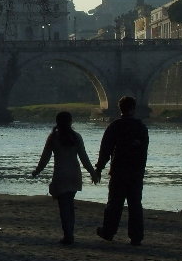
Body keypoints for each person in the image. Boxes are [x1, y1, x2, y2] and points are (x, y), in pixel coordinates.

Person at [32, 111, 98, 245]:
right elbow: (84, 158)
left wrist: (37, 171)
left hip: (61, 175)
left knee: (64, 206)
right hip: (74, 174)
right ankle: (70, 232)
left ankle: (68, 235)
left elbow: (45, 158)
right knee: (70, 204)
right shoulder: (76, 137)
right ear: (71, 122)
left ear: (57, 122)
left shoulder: (53, 138)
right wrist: (93, 172)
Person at [95, 96, 149, 246]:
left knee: (114, 203)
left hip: (119, 170)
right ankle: (136, 236)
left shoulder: (115, 126)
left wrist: (99, 168)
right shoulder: (141, 127)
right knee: (135, 204)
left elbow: (105, 149)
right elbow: (143, 152)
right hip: (136, 172)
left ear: (120, 108)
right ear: (134, 108)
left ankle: (108, 232)